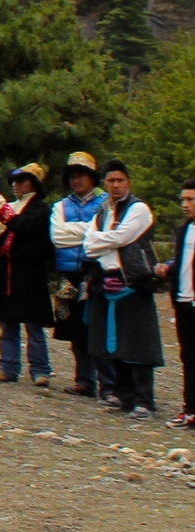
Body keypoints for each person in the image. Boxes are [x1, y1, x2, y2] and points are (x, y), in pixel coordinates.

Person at [85, 160, 164, 417]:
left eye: (120, 180)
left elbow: (122, 238)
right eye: (111, 181)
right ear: (104, 184)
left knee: (137, 344)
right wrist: (104, 241)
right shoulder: (103, 211)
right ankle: (123, 394)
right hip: (106, 283)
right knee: (114, 342)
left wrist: (102, 240)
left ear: (128, 182)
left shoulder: (139, 209)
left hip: (132, 283)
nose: (116, 185)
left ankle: (144, 400)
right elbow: (88, 245)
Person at [0, 164, 56, 385]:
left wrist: (0, 209)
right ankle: (8, 366)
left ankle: (40, 369)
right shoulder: (12, 206)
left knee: (33, 321)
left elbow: (25, 226)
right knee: (7, 320)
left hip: (30, 271)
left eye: (21, 181)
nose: (16, 186)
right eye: (14, 182)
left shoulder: (40, 208)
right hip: (8, 269)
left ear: (33, 184)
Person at [51, 152, 106, 396]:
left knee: (97, 326)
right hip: (68, 273)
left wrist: (76, 231)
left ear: (92, 178)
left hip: (95, 271)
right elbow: (57, 237)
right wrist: (89, 231)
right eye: (73, 176)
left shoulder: (105, 203)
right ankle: (84, 379)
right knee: (73, 328)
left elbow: (103, 234)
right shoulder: (61, 205)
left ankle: (108, 383)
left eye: (81, 176)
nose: (77, 181)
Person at [169, 178, 195, 428]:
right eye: (183, 200)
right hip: (183, 300)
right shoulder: (183, 229)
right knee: (188, 356)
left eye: (191, 199)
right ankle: (189, 407)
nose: (185, 204)